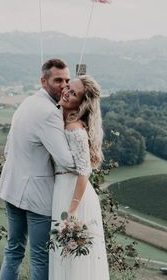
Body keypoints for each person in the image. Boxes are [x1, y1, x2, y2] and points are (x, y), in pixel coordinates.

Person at [0, 59, 76, 280]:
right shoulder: (49, 112)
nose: (64, 85)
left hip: (12, 188)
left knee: (13, 250)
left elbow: (6, 150)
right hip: (37, 195)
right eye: (58, 80)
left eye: (67, 80)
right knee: (41, 256)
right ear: (44, 81)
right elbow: (67, 160)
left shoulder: (26, 103)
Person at [49, 75, 109, 279]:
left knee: (76, 263)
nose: (66, 91)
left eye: (73, 93)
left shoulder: (75, 129)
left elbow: (85, 171)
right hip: (63, 190)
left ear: (81, 104)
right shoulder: (63, 120)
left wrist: (72, 211)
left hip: (74, 197)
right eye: (68, 87)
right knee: (64, 257)